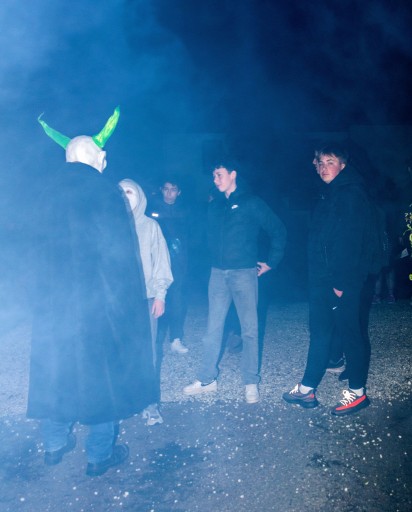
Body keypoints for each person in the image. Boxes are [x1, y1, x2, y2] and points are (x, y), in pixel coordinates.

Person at [29, 107, 157, 476]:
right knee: (104, 376)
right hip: (97, 308)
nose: (105, 161)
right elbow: (119, 259)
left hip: (53, 308)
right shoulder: (105, 193)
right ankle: (99, 455)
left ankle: (54, 445)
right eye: (103, 157)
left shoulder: (44, 194)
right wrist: (127, 313)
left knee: (56, 371)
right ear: (97, 157)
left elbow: (32, 255)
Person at [183, 162, 286, 403]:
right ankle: (207, 379)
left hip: (244, 274)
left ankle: (251, 382)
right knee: (212, 330)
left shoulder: (251, 202)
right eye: (213, 175)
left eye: (219, 174)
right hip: (218, 274)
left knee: (249, 330)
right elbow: (206, 237)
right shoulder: (215, 205)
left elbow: (278, 230)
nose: (215, 179)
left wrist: (272, 262)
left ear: (233, 175)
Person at [283, 143, 373, 415]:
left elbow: (350, 241)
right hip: (322, 278)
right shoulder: (330, 192)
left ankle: (357, 393)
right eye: (320, 163)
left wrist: (341, 283)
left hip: (342, 279)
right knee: (320, 332)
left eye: (330, 162)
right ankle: (307, 388)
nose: (323, 167)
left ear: (342, 165)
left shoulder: (351, 194)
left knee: (350, 334)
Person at [119, 178, 173, 426]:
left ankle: (150, 404)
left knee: (148, 352)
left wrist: (160, 295)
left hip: (146, 299)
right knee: (121, 352)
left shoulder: (150, 226)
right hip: (118, 302)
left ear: (139, 196)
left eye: (130, 191)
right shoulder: (111, 224)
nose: (125, 196)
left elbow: (161, 262)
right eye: (121, 192)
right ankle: (124, 402)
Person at [148, 178, 190, 355]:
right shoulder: (151, 209)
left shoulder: (186, 211)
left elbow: (193, 236)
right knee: (155, 297)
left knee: (177, 298)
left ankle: (175, 338)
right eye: (166, 189)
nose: (169, 193)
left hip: (178, 262)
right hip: (156, 262)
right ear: (161, 190)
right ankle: (155, 338)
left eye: (173, 189)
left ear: (179, 192)